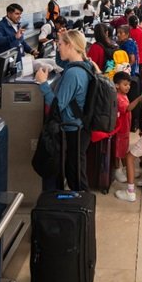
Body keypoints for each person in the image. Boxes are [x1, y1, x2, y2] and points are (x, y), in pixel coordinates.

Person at [35, 30, 92, 192]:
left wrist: (43, 84)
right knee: (74, 170)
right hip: (81, 126)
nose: (57, 48)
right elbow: (62, 61)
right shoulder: (84, 64)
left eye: (60, 44)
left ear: (70, 45)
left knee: (76, 176)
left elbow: (56, 108)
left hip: (74, 130)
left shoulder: (73, 74)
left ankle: (81, 208)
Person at [112, 71, 142, 183]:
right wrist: (138, 99)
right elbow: (127, 109)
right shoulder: (118, 97)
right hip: (119, 129)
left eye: (129, 84)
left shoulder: (123, 95)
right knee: (118, 151)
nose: (128, 87)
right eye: (125, 84)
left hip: (125, 129)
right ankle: (117, 170)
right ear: (116, 85)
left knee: (124, 150)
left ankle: (126, 169)